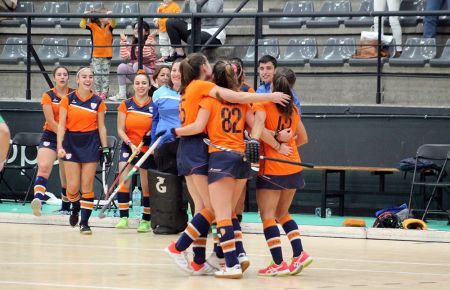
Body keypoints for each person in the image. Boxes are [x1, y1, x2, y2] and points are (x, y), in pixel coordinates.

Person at [162, 52, 290, 275]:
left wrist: (173, 131)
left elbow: (198, 125)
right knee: (219, 210)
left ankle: (203, 255)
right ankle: (226, 256)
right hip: (235, 156)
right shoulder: (214, 91)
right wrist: (264, 139)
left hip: (208, 152)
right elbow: (254, 120)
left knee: (210, 210)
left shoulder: (206, 98)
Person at [253, 68, 313, 276]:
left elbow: (257, 130)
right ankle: (299, 254)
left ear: (272, 87)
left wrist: (277, 145)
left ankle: (278, 262)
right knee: (282, 213)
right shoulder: (294, 110)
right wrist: (284, 141)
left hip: (272, 165)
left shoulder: (263, 104)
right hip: (293, 165)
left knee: (267, 215)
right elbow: (303, 139)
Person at [57, 67, 109, 235]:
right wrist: (59, 146)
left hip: (91, 143)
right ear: (77, 80)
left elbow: (102, 127)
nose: (88, 79)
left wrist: (106, 148)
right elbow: (61, 125)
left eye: (91, 76)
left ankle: (85, 223)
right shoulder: (68, 99)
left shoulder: (98, 102)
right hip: (71, 142)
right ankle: (75, 208)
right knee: (72, 187)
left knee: (87, 186)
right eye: (84, 76)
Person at [31, 66, 74, 217]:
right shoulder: (48, 95)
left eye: (65, 74)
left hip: (70, 136)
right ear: (54, 78)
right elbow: (49, 119)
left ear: (68, 78)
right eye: (59, 75)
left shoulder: (74, 94)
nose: (62, 77)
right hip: (51, 134)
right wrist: (61, 136)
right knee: (43, 166)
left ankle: (66, 207)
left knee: (66, 173)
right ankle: (38, 199)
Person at [115, 70, 154, 233]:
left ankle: (145, 220)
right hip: (128, 146)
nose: (140, 86)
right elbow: (120, 129)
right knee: (124, 181)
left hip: (146, 149)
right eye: (137, 83)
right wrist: (130, 143)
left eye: (144, 83)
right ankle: (123, 216)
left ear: (149, 85)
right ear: (133, 85)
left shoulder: (154, 105)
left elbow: (156, 128)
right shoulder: (126, 105)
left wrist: (147, 141)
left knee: (146, 186)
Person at [151, 59, 183, 174]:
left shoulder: (191, 92)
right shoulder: (159, 93)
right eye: (174, 70)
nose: (176, 73)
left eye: (180, 70)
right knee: (167, 187)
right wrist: (153, 143)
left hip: (184, 144)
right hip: (163, 143)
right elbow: (155, 120)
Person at [111, 21, 157, 101]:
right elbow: (124, 56)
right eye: (135, 28)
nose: (136, 30)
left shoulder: (151, 42)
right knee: (122, 66)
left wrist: (148, 40)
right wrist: (123, 42)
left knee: (136, 65)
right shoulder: (133, 45)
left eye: (139, 28)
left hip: (149, 74)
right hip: (137, 72)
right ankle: (122, 94)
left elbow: (144, 54)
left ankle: (141, 94)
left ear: (146, 32)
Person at [80, 8, 116, 100]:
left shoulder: (109, 26)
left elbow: (114, 23)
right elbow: (82, 25)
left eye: (107, 16)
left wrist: (111, 15)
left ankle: (104, 93)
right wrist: (85, 16)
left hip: (106, 55)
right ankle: (97, 92)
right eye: (104, 16)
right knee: (97, 75)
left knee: (105, 75)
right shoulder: (93, 26)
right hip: (96, 55)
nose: (106, 18)